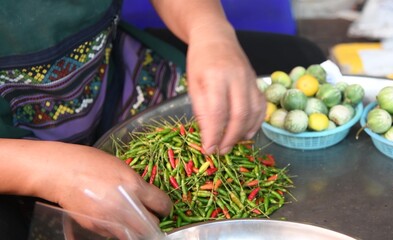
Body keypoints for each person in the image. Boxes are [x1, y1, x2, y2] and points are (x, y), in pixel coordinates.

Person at [0, 0, 325, 239]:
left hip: (110, 73)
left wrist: (210, 31)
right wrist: (48, 173)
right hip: (13, 156)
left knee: (300, 56)